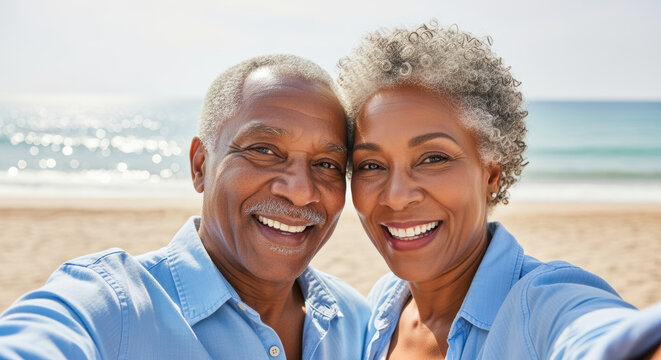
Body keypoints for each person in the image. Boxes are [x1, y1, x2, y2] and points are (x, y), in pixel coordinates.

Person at [0, 54, 370, 359]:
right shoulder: (112, 305)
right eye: (263, 150)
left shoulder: (355, 322)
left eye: (327, 165)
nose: (301, 191)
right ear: (200, 166)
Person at [336, 21, 661, 359]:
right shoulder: (382, 308)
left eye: (433, 158)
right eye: (371, 165)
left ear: (491, 174)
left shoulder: (541, 305)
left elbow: (597, 336)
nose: (397, 196)